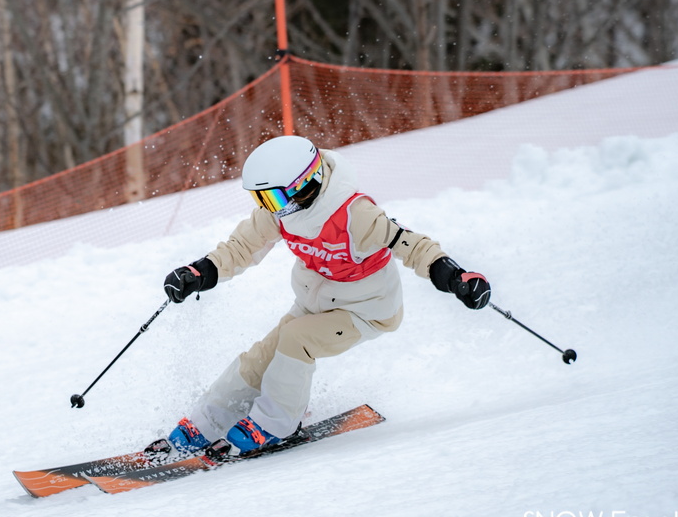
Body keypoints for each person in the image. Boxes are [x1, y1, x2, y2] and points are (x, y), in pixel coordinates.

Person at [162, 135, 490, 454]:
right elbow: (241, 247)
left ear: (305, 185)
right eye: (261, 200)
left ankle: (277, 424)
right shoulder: (281, 213)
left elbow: (413, 246)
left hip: (367, 311)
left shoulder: (354, 214)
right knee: (260, 358)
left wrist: (454, 276)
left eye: (273, 199)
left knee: (296, 340)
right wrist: (200, 272)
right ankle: (207, 423)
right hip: (315, 304)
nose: (269, 209)